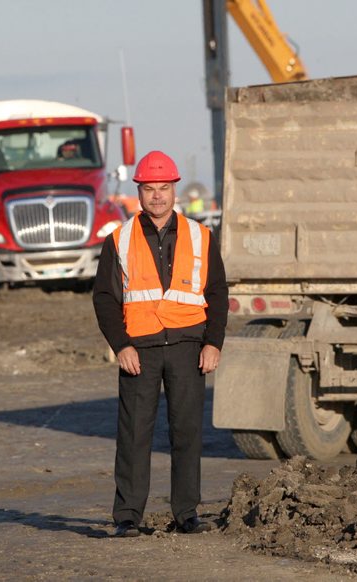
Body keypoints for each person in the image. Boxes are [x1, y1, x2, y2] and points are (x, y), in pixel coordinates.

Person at [93, 150, 228, 537]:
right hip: (140, 351)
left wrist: (213, 343)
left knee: (186, 432)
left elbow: (217, 292)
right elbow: (104, 297)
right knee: (134, 433)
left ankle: (186, 514)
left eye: (164, 188)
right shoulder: (118, 240)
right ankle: (128, 517)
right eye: (150, 189)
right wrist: (121, 346)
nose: (157, 196)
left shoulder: (201, 236)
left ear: (174, 190)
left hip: (189, 347)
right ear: (139, 191)